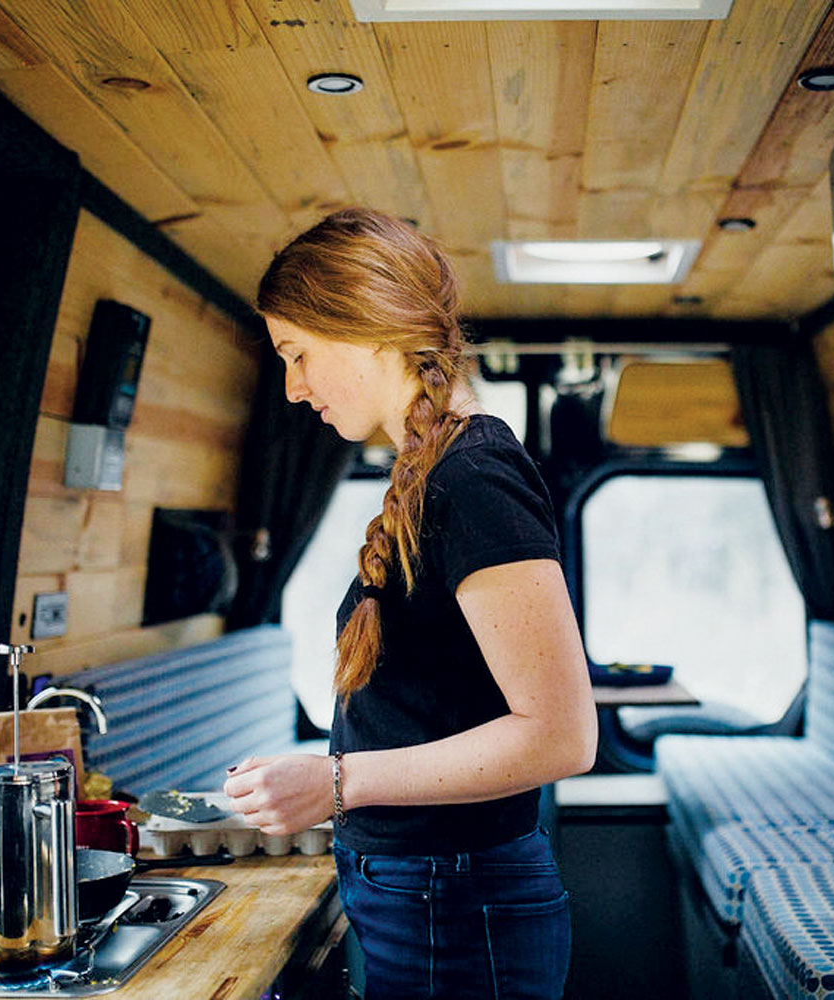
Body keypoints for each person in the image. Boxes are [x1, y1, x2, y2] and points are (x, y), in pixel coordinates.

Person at [223, 207, 598, 999]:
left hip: (457, 905)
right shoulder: (433, 473)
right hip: (430, 894)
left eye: (298, 354)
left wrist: (335, 782)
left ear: (366, 327)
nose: (293, 388)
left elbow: (562, 736)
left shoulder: (474, 478)